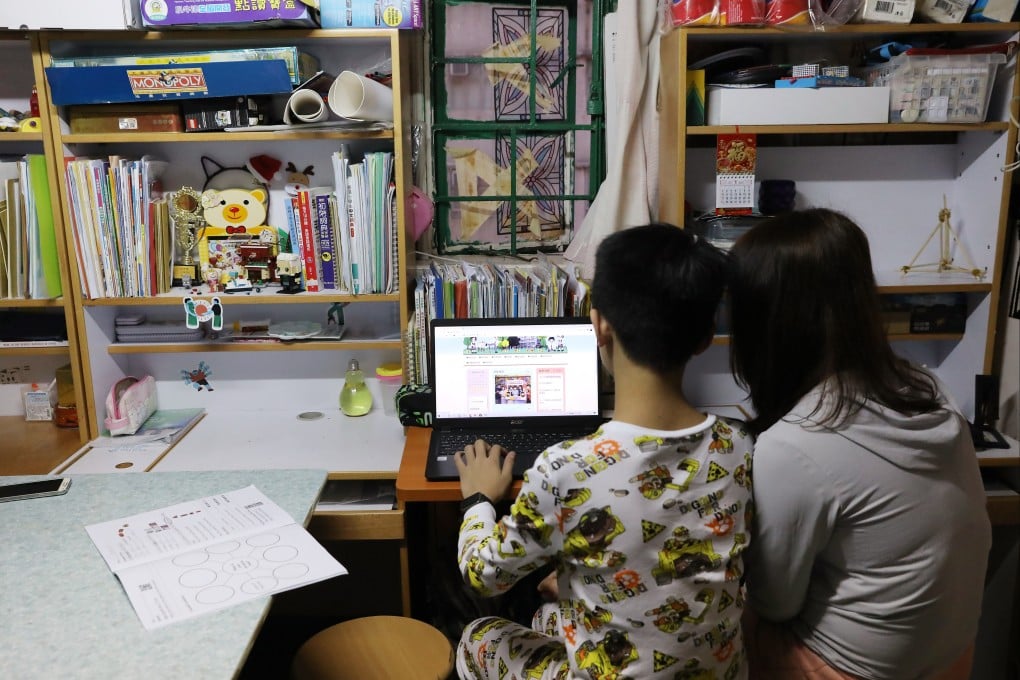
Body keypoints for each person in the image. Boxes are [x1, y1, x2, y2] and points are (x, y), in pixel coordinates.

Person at [453, 224, 755, 679]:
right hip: (715, 671)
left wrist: (478, 500)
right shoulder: (739, 447)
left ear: (599, 325)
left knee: (479, 635)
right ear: (706, 336)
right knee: (547, 616)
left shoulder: (565, 469)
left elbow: (483, 575)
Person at [726, 208, 992, 680]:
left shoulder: (795, 445)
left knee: (724, 612)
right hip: (952, 657)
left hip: (855, 670)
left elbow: (774, 603)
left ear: (762, 325)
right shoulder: (930, 391)